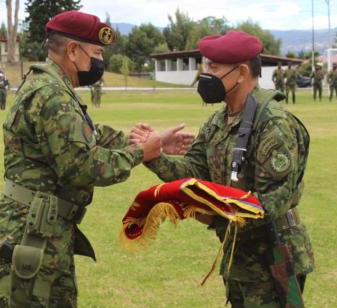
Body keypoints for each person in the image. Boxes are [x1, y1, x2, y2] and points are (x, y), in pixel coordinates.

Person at [0, 11, 193, 307]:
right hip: (31, 231)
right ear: (73, 50)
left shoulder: (53, 87)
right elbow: (83, 166)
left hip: (43, 227)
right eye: (96, 52)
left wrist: (147, 141)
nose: (99, 61)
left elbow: (88, 135)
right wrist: (140, 152)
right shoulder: (51, 93)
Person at [132, 31, 315, 307]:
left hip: (273, 257)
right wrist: (154, 155)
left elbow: (271, 202)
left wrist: (210, 215)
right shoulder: (218, 120)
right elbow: (194, 170)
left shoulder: (273, 124)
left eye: (213, 68)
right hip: (238, 255)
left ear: (241, 72)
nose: (206, 74)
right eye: (206, 66)